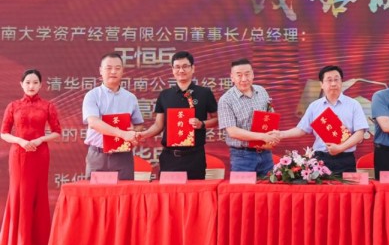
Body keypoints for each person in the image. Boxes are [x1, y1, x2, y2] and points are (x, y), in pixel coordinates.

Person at [0, 69, 61, 245]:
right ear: (21, 84)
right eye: (27, 82)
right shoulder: (13, 106)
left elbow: (57, 132)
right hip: (19, 154)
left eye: (35, 82)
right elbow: (4, 133)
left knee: (37, 194)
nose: (31, 86)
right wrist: (20, 141)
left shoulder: (47, 106)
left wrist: (40, 139)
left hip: (40, 154)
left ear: (41, 85)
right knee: (19, 193)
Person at [140, 51, 218, 180]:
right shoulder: (164, 95)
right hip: (170, 157)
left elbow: (217, 119)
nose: (181, 70)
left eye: (185, 66)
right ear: (172, 70)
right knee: (168, 192)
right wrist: (144, 134)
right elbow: (158, 125)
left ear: (193, 68)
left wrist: (201, 124)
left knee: (195, 192)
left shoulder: (204, 93)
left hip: (195, 157)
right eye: (177, 67)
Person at [279, 65, 368, 175]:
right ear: (321, 84)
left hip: (345, 158)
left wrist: (340, 148)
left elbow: (360, 133)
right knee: (320, 186)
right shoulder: (314, 106)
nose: (333, 83)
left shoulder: (354, 104)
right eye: (329, 80)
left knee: (346, 186)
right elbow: (301, 129)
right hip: (320, 159)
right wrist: (281, 134)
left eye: (336, 79)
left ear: (342, 82)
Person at [83, 53, 143, 180]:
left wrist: (134, 132)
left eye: (117, 68)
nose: (113, 71)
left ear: (122, 71)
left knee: (124, 192)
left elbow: (138, 124)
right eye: (109, 68)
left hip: (123, 156)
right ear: (101, 70)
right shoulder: (92, 95)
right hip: (98, 155)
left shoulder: (130, 98)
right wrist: (123, 134)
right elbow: (93, 123)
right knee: (94, 192)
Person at [217, 58, 280, 176]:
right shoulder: (226, 100)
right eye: (239, 75)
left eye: (247, 74)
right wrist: (263, 136)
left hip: (265, 153)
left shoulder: (261, 91)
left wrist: (273, 135)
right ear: (232, 77)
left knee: (269, 186)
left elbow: (270, 115)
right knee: (243, 188)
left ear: (253, 74)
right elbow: (232, 131)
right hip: (242, 157)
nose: (244, 79)